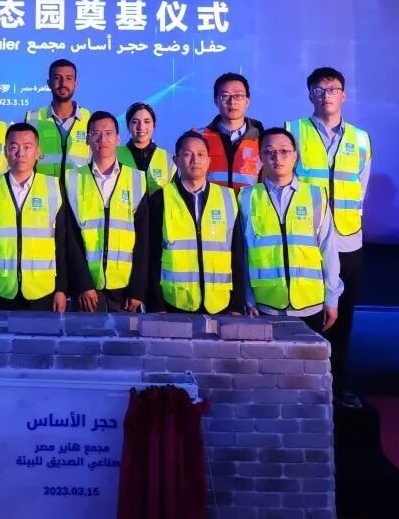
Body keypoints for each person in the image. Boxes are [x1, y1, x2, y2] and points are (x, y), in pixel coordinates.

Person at [286, 67, 372, 409]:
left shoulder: (361, 138)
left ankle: (338, 385)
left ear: (344, 95)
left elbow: (361, 187)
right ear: (310, 95)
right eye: (319, 90)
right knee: (308, 313)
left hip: (348, 240)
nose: (326, 95)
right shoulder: (293, 131)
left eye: (333, 89)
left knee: (343, 316)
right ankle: (303, 383)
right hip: (306, 240)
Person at [239, 127, 343, 338]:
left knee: (309, 358)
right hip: (265, 304)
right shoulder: (247, 197)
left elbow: (328, 250)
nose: (277, 157)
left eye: (284, 151)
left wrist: (332, 298)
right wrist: (248, 299)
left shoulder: (315, 195)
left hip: (311, 304)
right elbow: (244, 254)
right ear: (261, 157)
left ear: (295, 156)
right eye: (269, 152)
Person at [0, 123, 73, 312]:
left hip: (42, 290)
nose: (21, 153)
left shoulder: (53, 187)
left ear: (38, 152)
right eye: (14, 147)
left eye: (27, 147)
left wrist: (61, 289)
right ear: (5, 151)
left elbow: (62, 242)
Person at [146, 131, 244, 314]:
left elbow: (237, 253)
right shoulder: (161, 199)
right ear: (176, 161)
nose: (195, 160)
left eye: (200, 154)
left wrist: (237, 305)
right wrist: (157, 304)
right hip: (174, 302)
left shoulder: (227, 198)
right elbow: (151, 254)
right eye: (187, 154)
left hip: (220, 303)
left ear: (209, 160)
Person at [66, 111, 149, 313]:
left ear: (118, 139)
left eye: (108, 133)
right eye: (95, 134)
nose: (102, 139)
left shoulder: (137, 179)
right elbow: (70, 238)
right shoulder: (72, 179)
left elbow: (144, 240)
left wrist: (137, 290)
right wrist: (83, 284)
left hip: (125, 290)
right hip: (87, 291)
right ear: (87, 140)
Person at [25, 58, 91, 179]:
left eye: (69, 78)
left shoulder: (89, 119)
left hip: (79, 189)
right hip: (43, 189)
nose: (63, 83)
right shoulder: (32, 119)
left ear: (76, 83)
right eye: (57, 78)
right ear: (49, 83)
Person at [200, 72, 264, 190]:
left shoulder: (263, 140)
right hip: (211, 201)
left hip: (249, 201)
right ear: (216, 100)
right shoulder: (200, 138)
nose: (232, 101)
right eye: (225, 96)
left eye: (238, 96)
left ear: (247, 101)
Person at [117, 102, 174, 194]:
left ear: (154, 125)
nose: (141, 127)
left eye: (147, 121)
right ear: (128, 126)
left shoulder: (170, 159)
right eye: (135, 122)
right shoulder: (114, 155)